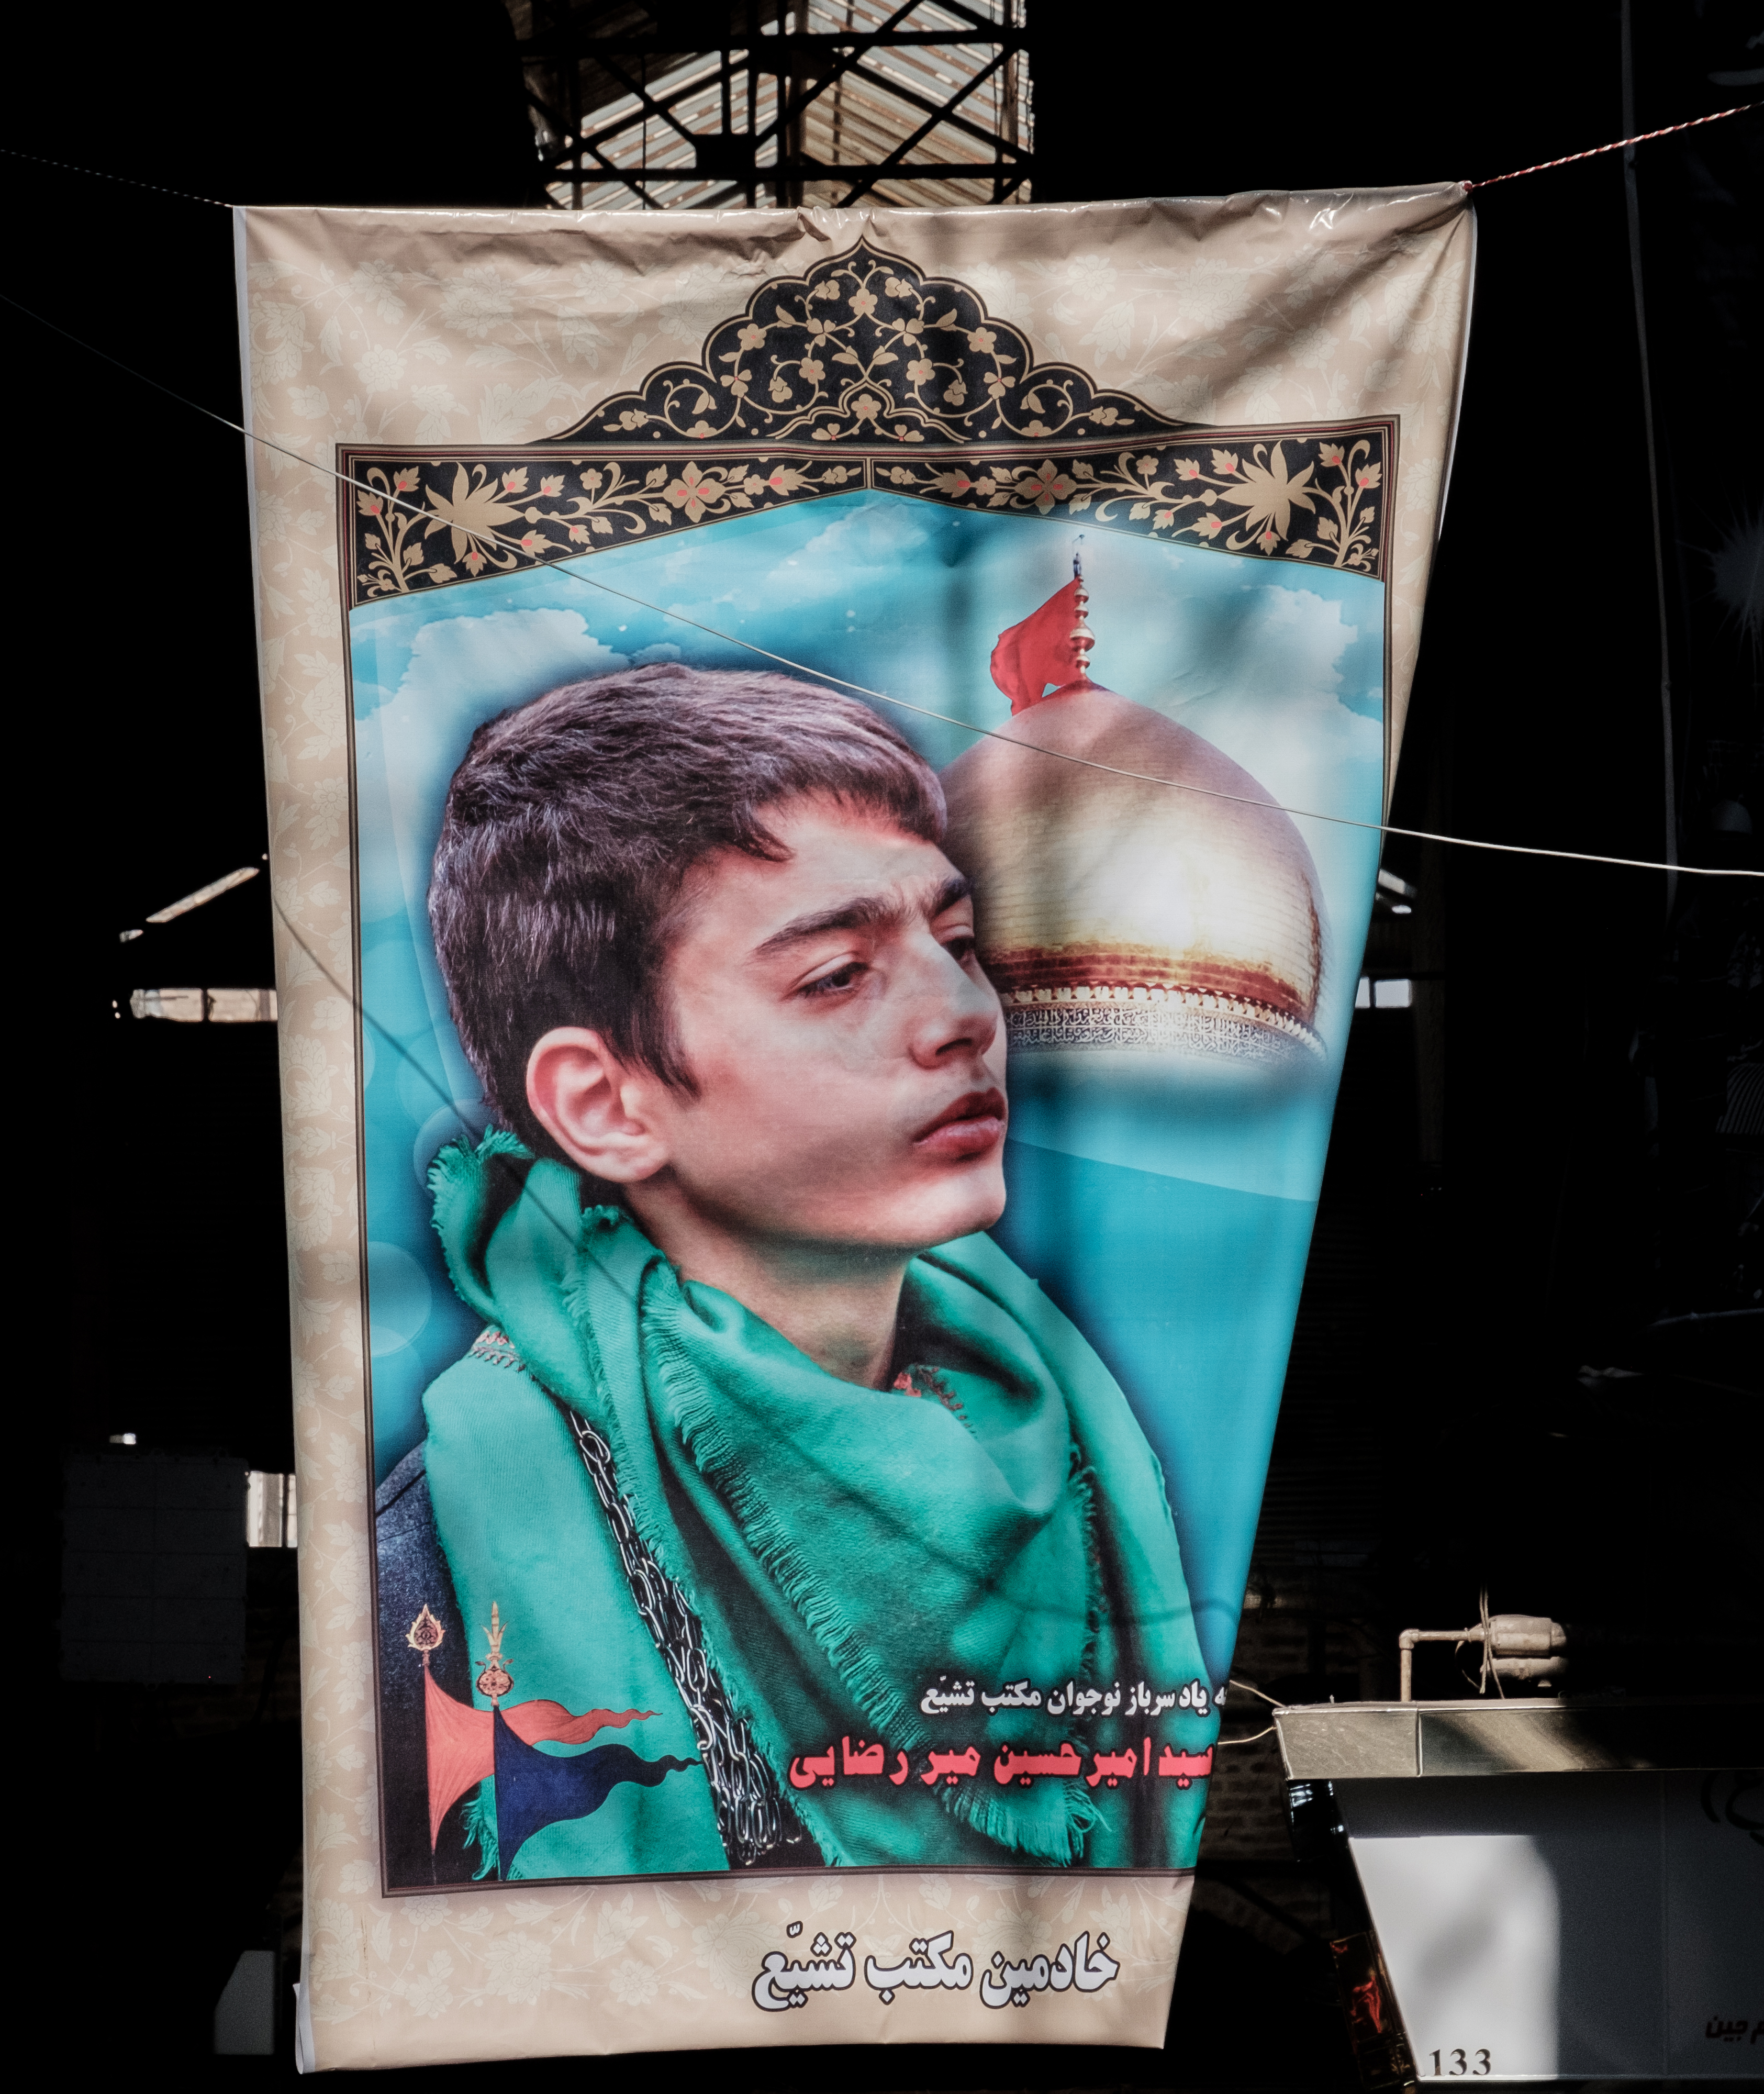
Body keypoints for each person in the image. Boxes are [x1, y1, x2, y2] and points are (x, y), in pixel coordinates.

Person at [375, 663, 1215, 1885]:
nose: (965, 1012)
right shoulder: (443, 1554)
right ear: (605, 1102)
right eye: (837, 974)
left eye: (957, 939)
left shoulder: (1075, 1456)